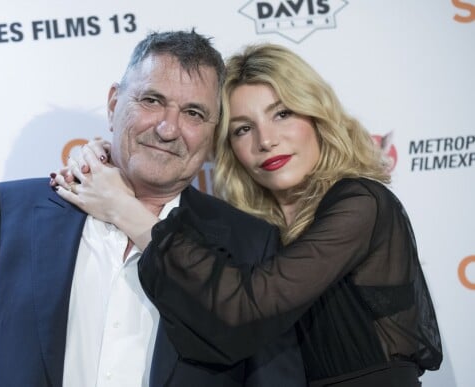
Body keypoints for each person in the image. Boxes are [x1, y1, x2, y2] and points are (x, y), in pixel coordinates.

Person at [0, 32, 306, 387]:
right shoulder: (10, 214)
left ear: (213, 133)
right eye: (152, 100)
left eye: (193, 113)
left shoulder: (251, 246)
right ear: (112, 104)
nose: (168, 128)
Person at [52, 43, 443, 386]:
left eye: (283, 113)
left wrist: (124, 209)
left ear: (318, 116)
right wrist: (113, 158)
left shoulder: (362, 204)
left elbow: (245, 307)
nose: (266, 140)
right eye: (242, 129)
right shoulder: (248, 230)